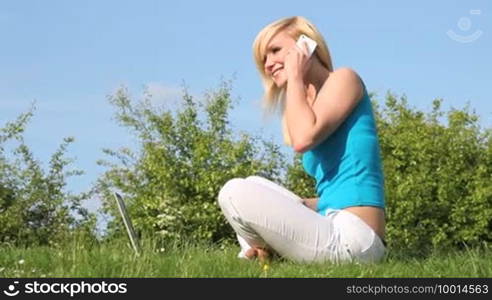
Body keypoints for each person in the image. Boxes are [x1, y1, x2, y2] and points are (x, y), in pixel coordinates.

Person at [217, 16, 386, 263]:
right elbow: (336, 189)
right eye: (263, 59)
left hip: (355, 237)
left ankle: (256, 255)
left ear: (306, 46)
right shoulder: (305, 106)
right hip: (333, 221)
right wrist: (298, 206)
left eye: (275, 51)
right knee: (254, 183)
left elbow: (303, 139)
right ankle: (263, 254)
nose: (268, 64)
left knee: (233, 191)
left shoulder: (344, 79)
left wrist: (295, 77)